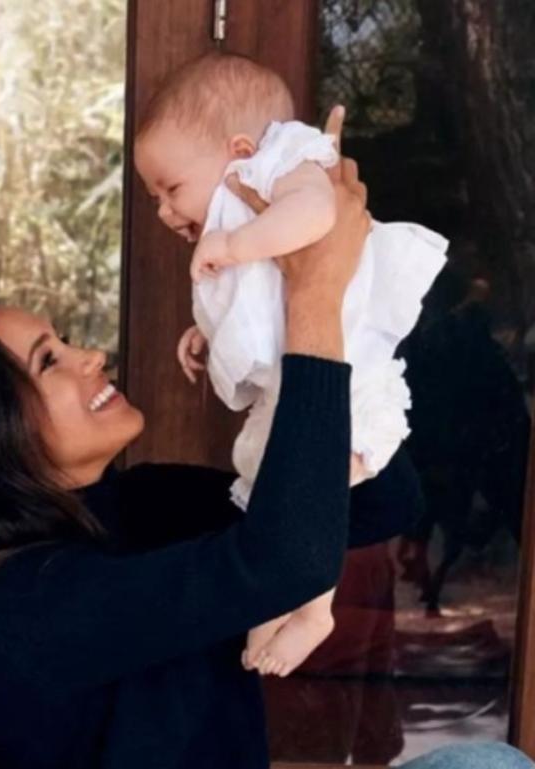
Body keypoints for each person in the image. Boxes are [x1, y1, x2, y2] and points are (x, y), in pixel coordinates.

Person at [0, 152, 532, 768]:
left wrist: (274, 369)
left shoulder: (144, 504)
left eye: (65, 340)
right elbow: (287, 561)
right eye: (49, 361)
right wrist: (312, 301)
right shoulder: (15, 612)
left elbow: (381, 503)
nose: (88, 356)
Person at [132, 52, 447, 676]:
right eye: (154, 198)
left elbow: (317, 216)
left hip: (348, 374)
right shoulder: (242, 210)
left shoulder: (287, 163)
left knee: (313, 487)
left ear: (241, 149)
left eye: (172, 189)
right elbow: (263, 300)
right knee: (268, 482)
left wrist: (235, 243)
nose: (166, 212)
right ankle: (279, 598)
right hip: (300, 376)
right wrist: (206, 332)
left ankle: (313, 608)